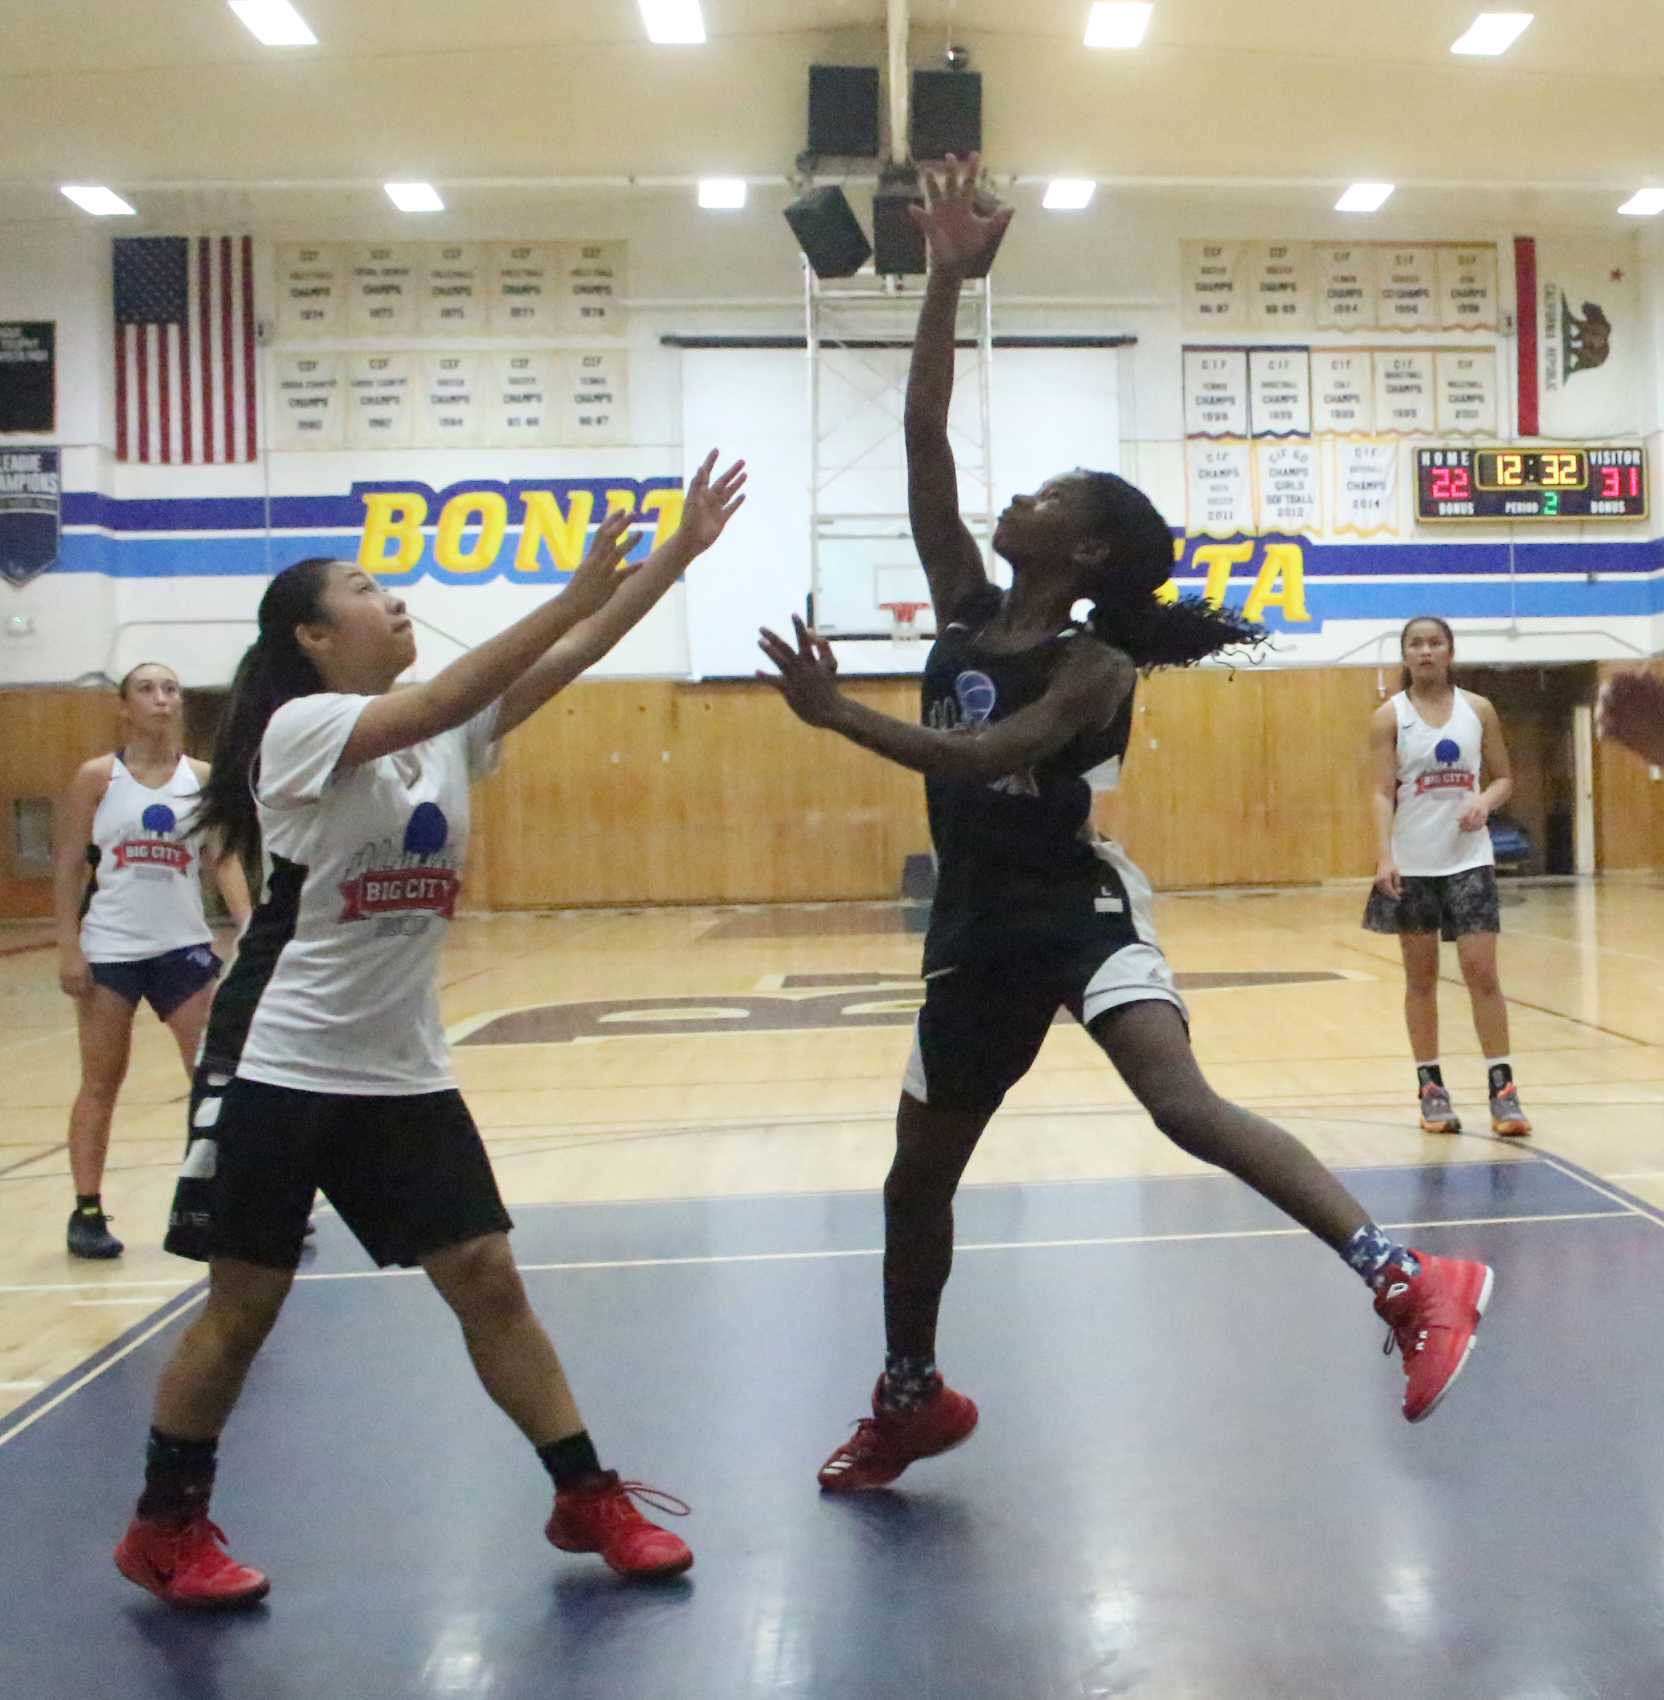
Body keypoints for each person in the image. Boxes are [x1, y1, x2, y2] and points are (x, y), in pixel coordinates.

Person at [758, 156, 1492, 1495]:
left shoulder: (1098, 668)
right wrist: (941, 281)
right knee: (913, 1187)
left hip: (1073, 912)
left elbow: (988, 752)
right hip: (977, 932)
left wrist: (837, 716)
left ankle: (1408, 1280)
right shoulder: (970, 603)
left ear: (1086, 549)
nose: (1017, 497)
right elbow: (924, 434)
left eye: (1049, 493)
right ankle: (911, 1395)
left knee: (1178, 1102)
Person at [113, 452, 745, 1608]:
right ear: (312, 634)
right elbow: (460, 686)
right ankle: (165, 1523)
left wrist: (674, 557)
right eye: (363, 584)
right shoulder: (303, 727)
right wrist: (566, 585)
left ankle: (581, 1488)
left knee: (487, 1274)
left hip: (398, 1065)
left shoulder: (441, 738)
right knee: (244, 1306)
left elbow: (571, 655)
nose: (391, 593)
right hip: (280, 1057)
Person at [53, 663, 252, 1260]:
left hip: (182, 947)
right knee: (101, 1082)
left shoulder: (202, 779)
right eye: (147, 689)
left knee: (213, 1078)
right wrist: (69, 944)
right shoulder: (97, 778)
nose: (162, 700)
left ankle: (231, 1200)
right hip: (111, 949)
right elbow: (69, 863)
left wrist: (248, 926)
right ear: (124, 707)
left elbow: (223, 859)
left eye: (171, 690)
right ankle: (86, 1211)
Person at [1364, 616, 1530, 1137]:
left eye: (1435, 643)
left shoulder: (1478, 710)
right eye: (1417, 644)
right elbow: (1378, 792)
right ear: (1406, 655)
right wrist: (1383, 857)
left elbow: (1504, 777)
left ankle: (1503, 1089)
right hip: (1413, 864)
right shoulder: (1388, 717)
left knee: (1482, 973)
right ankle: (1431, 1088)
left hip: (1469, 860)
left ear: (1450, 652)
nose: (1426, 652)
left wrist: (1483, 801)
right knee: (1421, 979)